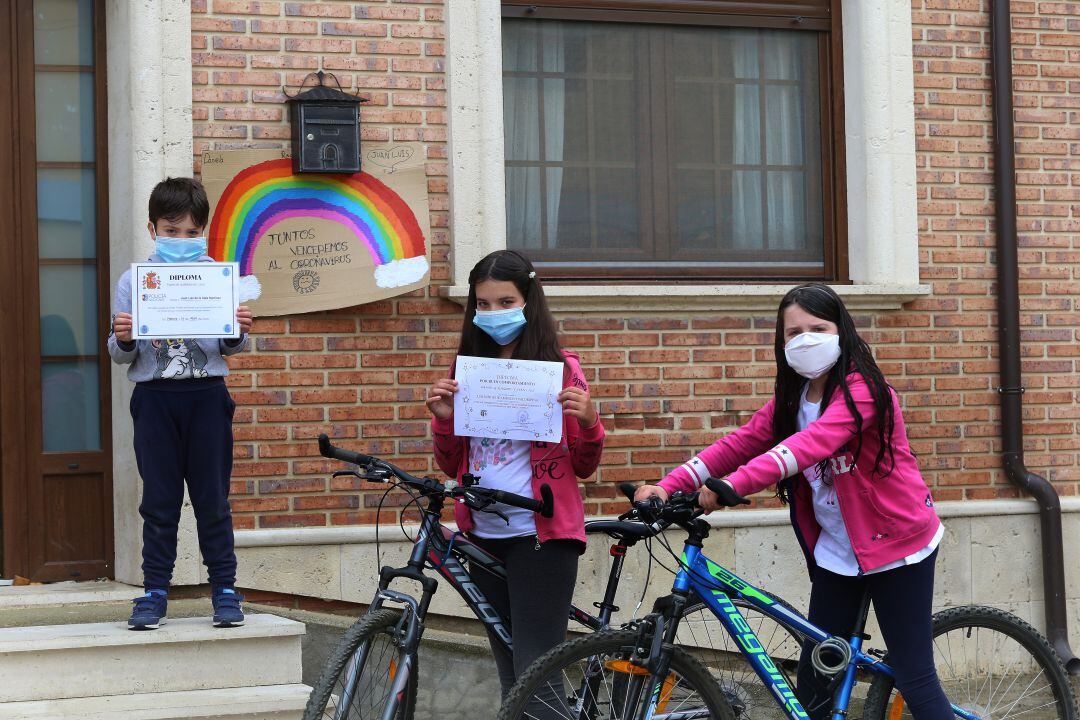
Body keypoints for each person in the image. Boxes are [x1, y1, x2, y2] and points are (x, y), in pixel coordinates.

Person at [635, 283, 950, 720]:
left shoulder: (864, 391)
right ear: (781, 342)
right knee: (816, 677)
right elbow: (737, 444)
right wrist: (668, 485)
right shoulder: (792, 400)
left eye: (817, 328)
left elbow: (809, 445)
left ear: (841, 332)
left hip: (897, 546)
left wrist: (734, 486)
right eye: (793, 332)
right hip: (838, 552)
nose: (805, 339)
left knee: (915, 678)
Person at [426, 249, 605, 709]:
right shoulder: (466, 367)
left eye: (505, 302)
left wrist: (589, 420)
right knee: (512, 677)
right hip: (482, 535)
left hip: (540, 535)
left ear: (529, 300)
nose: (493, 313)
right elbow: (451, 465)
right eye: (482, 304)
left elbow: (585, 465)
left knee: (537, 677)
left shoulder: (562, 367)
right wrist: (444, 419)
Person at [108, 177, 252, 631]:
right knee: (160, 500)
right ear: (153, 230)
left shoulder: (219, 276)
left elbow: (231, 347)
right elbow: (117, 351)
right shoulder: (134, 281)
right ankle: (154, 592)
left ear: (203, 231)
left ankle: (225, 590)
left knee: (213, 498)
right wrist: (125, 336)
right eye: (172, 231)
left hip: (207, 397)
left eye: (192, 233)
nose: (182, 241)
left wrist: (238, 329)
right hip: (154, 400)